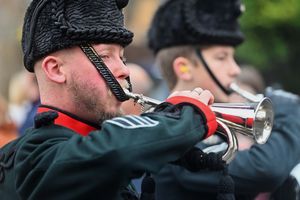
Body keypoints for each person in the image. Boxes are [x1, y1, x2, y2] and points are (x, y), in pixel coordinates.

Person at [0, 0, 220, 199]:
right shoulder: (35, 153)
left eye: (122, 57)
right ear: (56, 69)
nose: (124, 69)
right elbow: (111, 153)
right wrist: (179, 120)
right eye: (105, 56)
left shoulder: (98, 144)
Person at [147, 0, 300, 199]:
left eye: (232, 57)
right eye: (221, 57)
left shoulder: (215, 127)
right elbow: (265, 170)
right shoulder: (169, 131)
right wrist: (290, 112)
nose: (235, 69)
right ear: (183, 68)